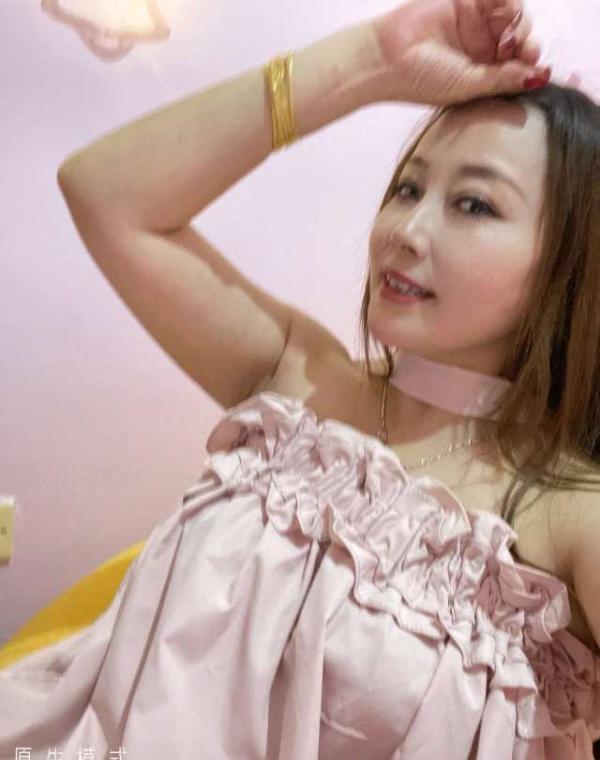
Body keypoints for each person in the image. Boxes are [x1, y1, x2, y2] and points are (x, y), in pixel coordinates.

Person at [2, 0, 599, 757]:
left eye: (474, 204)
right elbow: (103, 190)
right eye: (408, 188)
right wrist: (371, 61)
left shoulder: (566, 516)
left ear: (569, 263)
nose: (406, 231)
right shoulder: (300, 381)